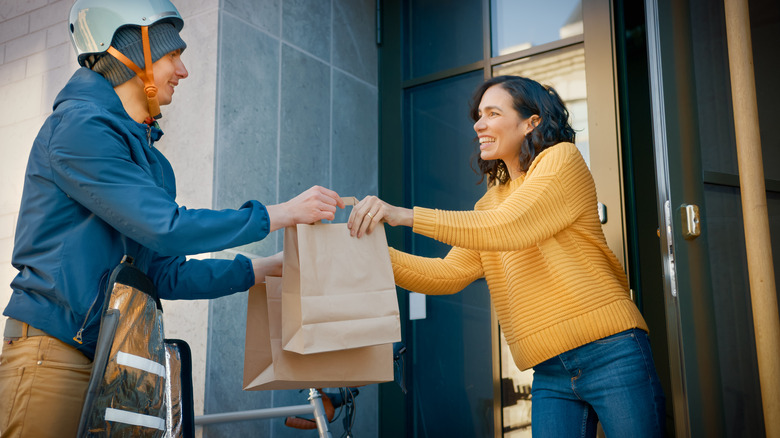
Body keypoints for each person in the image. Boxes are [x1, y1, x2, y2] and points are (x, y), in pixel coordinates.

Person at [0, 0, 345, 436]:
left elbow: (163, 275)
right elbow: (168, 227)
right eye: (172, 55)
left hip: (114, 361)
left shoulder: (152, 164)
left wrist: (266, 269)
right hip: (54, 353)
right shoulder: (78, 128)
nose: (183, 71)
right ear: (133, 52)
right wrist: (280, 214)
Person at [348, 75, 665, 437]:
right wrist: (364, 253)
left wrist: (403, 215)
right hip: (549, 369)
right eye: (478, 115)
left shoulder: (562, 160)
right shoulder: (490, 202)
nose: (478, 124)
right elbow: (446, 273)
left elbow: (511, 224)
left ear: (531, 122)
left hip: (612, 353)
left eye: (493, 113)